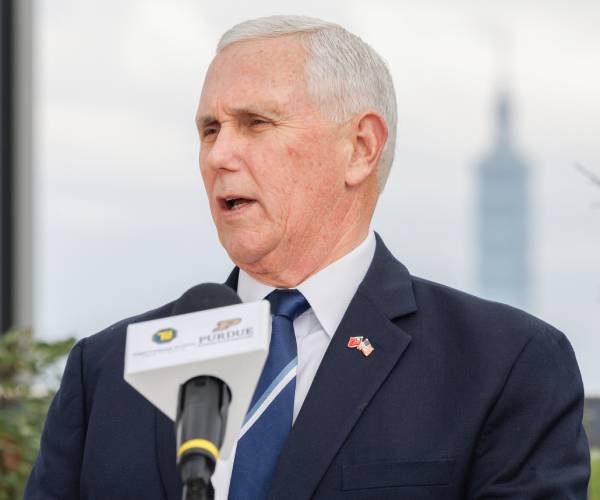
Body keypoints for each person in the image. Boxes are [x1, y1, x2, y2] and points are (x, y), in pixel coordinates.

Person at [25, 15, 589, 500]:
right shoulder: (107, 371)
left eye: (256, 123)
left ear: (360, 148)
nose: (219, 154)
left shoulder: (504, 364)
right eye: (210, 129)